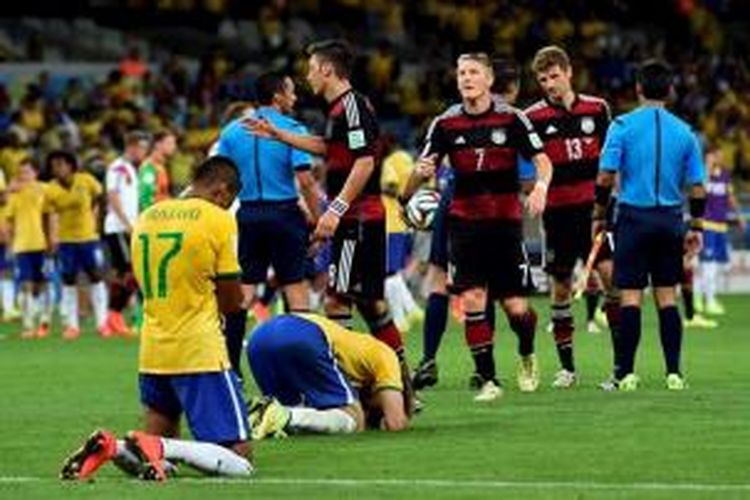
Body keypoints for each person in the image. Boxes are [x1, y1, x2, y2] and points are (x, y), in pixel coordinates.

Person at [60, 156, 253, 481]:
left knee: (158, 460)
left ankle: (115, 448)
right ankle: (162, 446)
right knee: (240, 460)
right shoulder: (218, 220)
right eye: (230, 200)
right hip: (199, 350)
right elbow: (232, 300)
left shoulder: (147, 217)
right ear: (222, 192)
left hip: (154, 349)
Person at [405, 52, 552, 401]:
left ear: (488, 80)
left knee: (516, 309)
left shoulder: (512, 119)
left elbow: (543, 162)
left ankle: (527, 354)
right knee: (472, 298)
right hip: (464, 224)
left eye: (473, 72)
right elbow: (414, 180)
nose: (466, 78)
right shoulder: (445, 124)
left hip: (505, 226)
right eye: (461, 73)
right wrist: (417, 176)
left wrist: (542, 188)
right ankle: (489, 380)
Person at [247, 39, 405, 361]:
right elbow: (326, 147)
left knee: (338, 301)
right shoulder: (337, 110)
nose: (308, 77)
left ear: (327, 69)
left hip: (359, 218)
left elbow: (365, 162)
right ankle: (400, 378)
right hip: (356, 217)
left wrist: (334, 209)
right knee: (368, 303)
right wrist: (279, 135)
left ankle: (348, 379)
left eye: (311, 69)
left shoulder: (352, 106)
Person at [593, 60, 706, 391]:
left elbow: (604, 177)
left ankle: (626, 374)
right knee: (667, 296)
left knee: (630, 296)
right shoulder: (685, 132)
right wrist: (696, 226)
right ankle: (674, 373)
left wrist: (599, 215)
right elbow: (697, 187)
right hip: (670, 219)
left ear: (638, 89)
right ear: (670, 91)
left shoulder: (622, 126)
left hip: (633, 217)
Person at [524, 46, 619, 389]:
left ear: (568, 72)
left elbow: (613, 160)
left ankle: (621, 368)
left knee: (612, 280)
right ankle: (567, 369)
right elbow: (525, 165)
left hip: (594, 214)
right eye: (543, 79)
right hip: (558, 217)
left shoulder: (598, 109)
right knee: (560, 288)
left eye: (554, 76)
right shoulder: (532, 118)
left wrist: (610, 205)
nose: (549, 84)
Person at [215, 71, 320, 375]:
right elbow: (306, 181)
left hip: (248, 214)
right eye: (291, 92)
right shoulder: (292, 130)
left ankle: (230, 370)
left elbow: (222, 179)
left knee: (245, 293)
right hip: (285, 214)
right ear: (277, 96)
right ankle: (304, 370)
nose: (295, 97)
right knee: (295, 290)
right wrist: (317, 219)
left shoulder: (232, 132)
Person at [246, 313, 410, 438]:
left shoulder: (357, 365)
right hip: (302, 333)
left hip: (259, 337)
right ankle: (285, 417)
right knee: (355, 418)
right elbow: (396, 423)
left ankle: (248, 417)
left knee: (283, 413)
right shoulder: (389, 357)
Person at [45, 150, 109, 339]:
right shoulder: (51, 189)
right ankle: (72, 326)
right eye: (53, 165)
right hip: (66, 241)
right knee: (69, 279)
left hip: (88, 238)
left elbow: (101, 197)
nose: (57, 168)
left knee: (95, 276)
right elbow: (46, 214)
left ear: (70, 165)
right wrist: (49, 238)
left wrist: (99, 222)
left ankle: (102, 323)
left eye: (60, 164)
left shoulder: (86, 180)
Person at [103, 131, 150, 336]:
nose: (143, 152)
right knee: (129, 272)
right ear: (131, 146)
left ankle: (113, 318)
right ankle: (113, 316)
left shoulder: (132, 168)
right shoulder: (117, 167)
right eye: (141, 147)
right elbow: (112, 196)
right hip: (118, 227)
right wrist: (126, 223)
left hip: (129, 226)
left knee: (126, 273)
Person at [694, 145, 746, 316]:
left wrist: (739, 216)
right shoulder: (701, 174)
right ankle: (704, 299)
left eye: (720, 156)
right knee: (707, 264)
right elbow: (699, 193)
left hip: (721, 226)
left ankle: (706, 298)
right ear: (709, 157)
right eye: (717, 155)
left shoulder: (724, 175)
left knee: (715, 265)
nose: (720, 158)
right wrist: (707, 170)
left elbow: (730, 197)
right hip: (707, 225)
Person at [380, 134, 423, 333]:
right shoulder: (406, 158)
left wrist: (375, 188)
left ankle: (398, 319)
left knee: (389, 272)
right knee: (393, 270)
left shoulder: (387, 162)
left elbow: (391, 185)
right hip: (401, 221)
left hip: (388, 221)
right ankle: (412, 309)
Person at [5, 158, 52, 338]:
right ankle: (28, 324)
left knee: (42, 283)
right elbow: (9, 221)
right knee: (26, 283)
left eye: (27, 171)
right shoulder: (15, 195)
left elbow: (51, 216)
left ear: (36, 173)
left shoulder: (45, 190)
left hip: (42, 244)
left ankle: (44, 320)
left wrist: (51, 239)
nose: (23, 176)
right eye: (21, 172)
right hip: (22, 246)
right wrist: (10, 244)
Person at [139, 129, 175, 212]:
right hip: (153, 219)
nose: (174, 147)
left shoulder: (161, 167)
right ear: (158, 145)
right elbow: (146, 199)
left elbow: (162, 195)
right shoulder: (149, 167)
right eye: (169, 143)